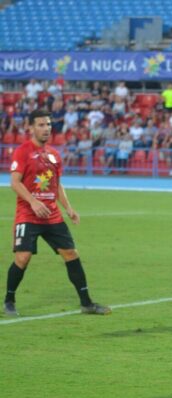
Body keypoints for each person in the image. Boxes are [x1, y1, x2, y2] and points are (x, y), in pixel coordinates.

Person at [4, 109, 110, 316]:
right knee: (23, 258)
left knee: (71, 254)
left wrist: (68, 208)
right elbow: (14, 183)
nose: (46, 129)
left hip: (52, 215)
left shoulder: (54, 154)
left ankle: (87, 303)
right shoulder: (22, 151)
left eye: (49, 125)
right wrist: (33, 202)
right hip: (28, 214)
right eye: (41, 125)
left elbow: (56, 184)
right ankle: (9, 300)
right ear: (31, 127)